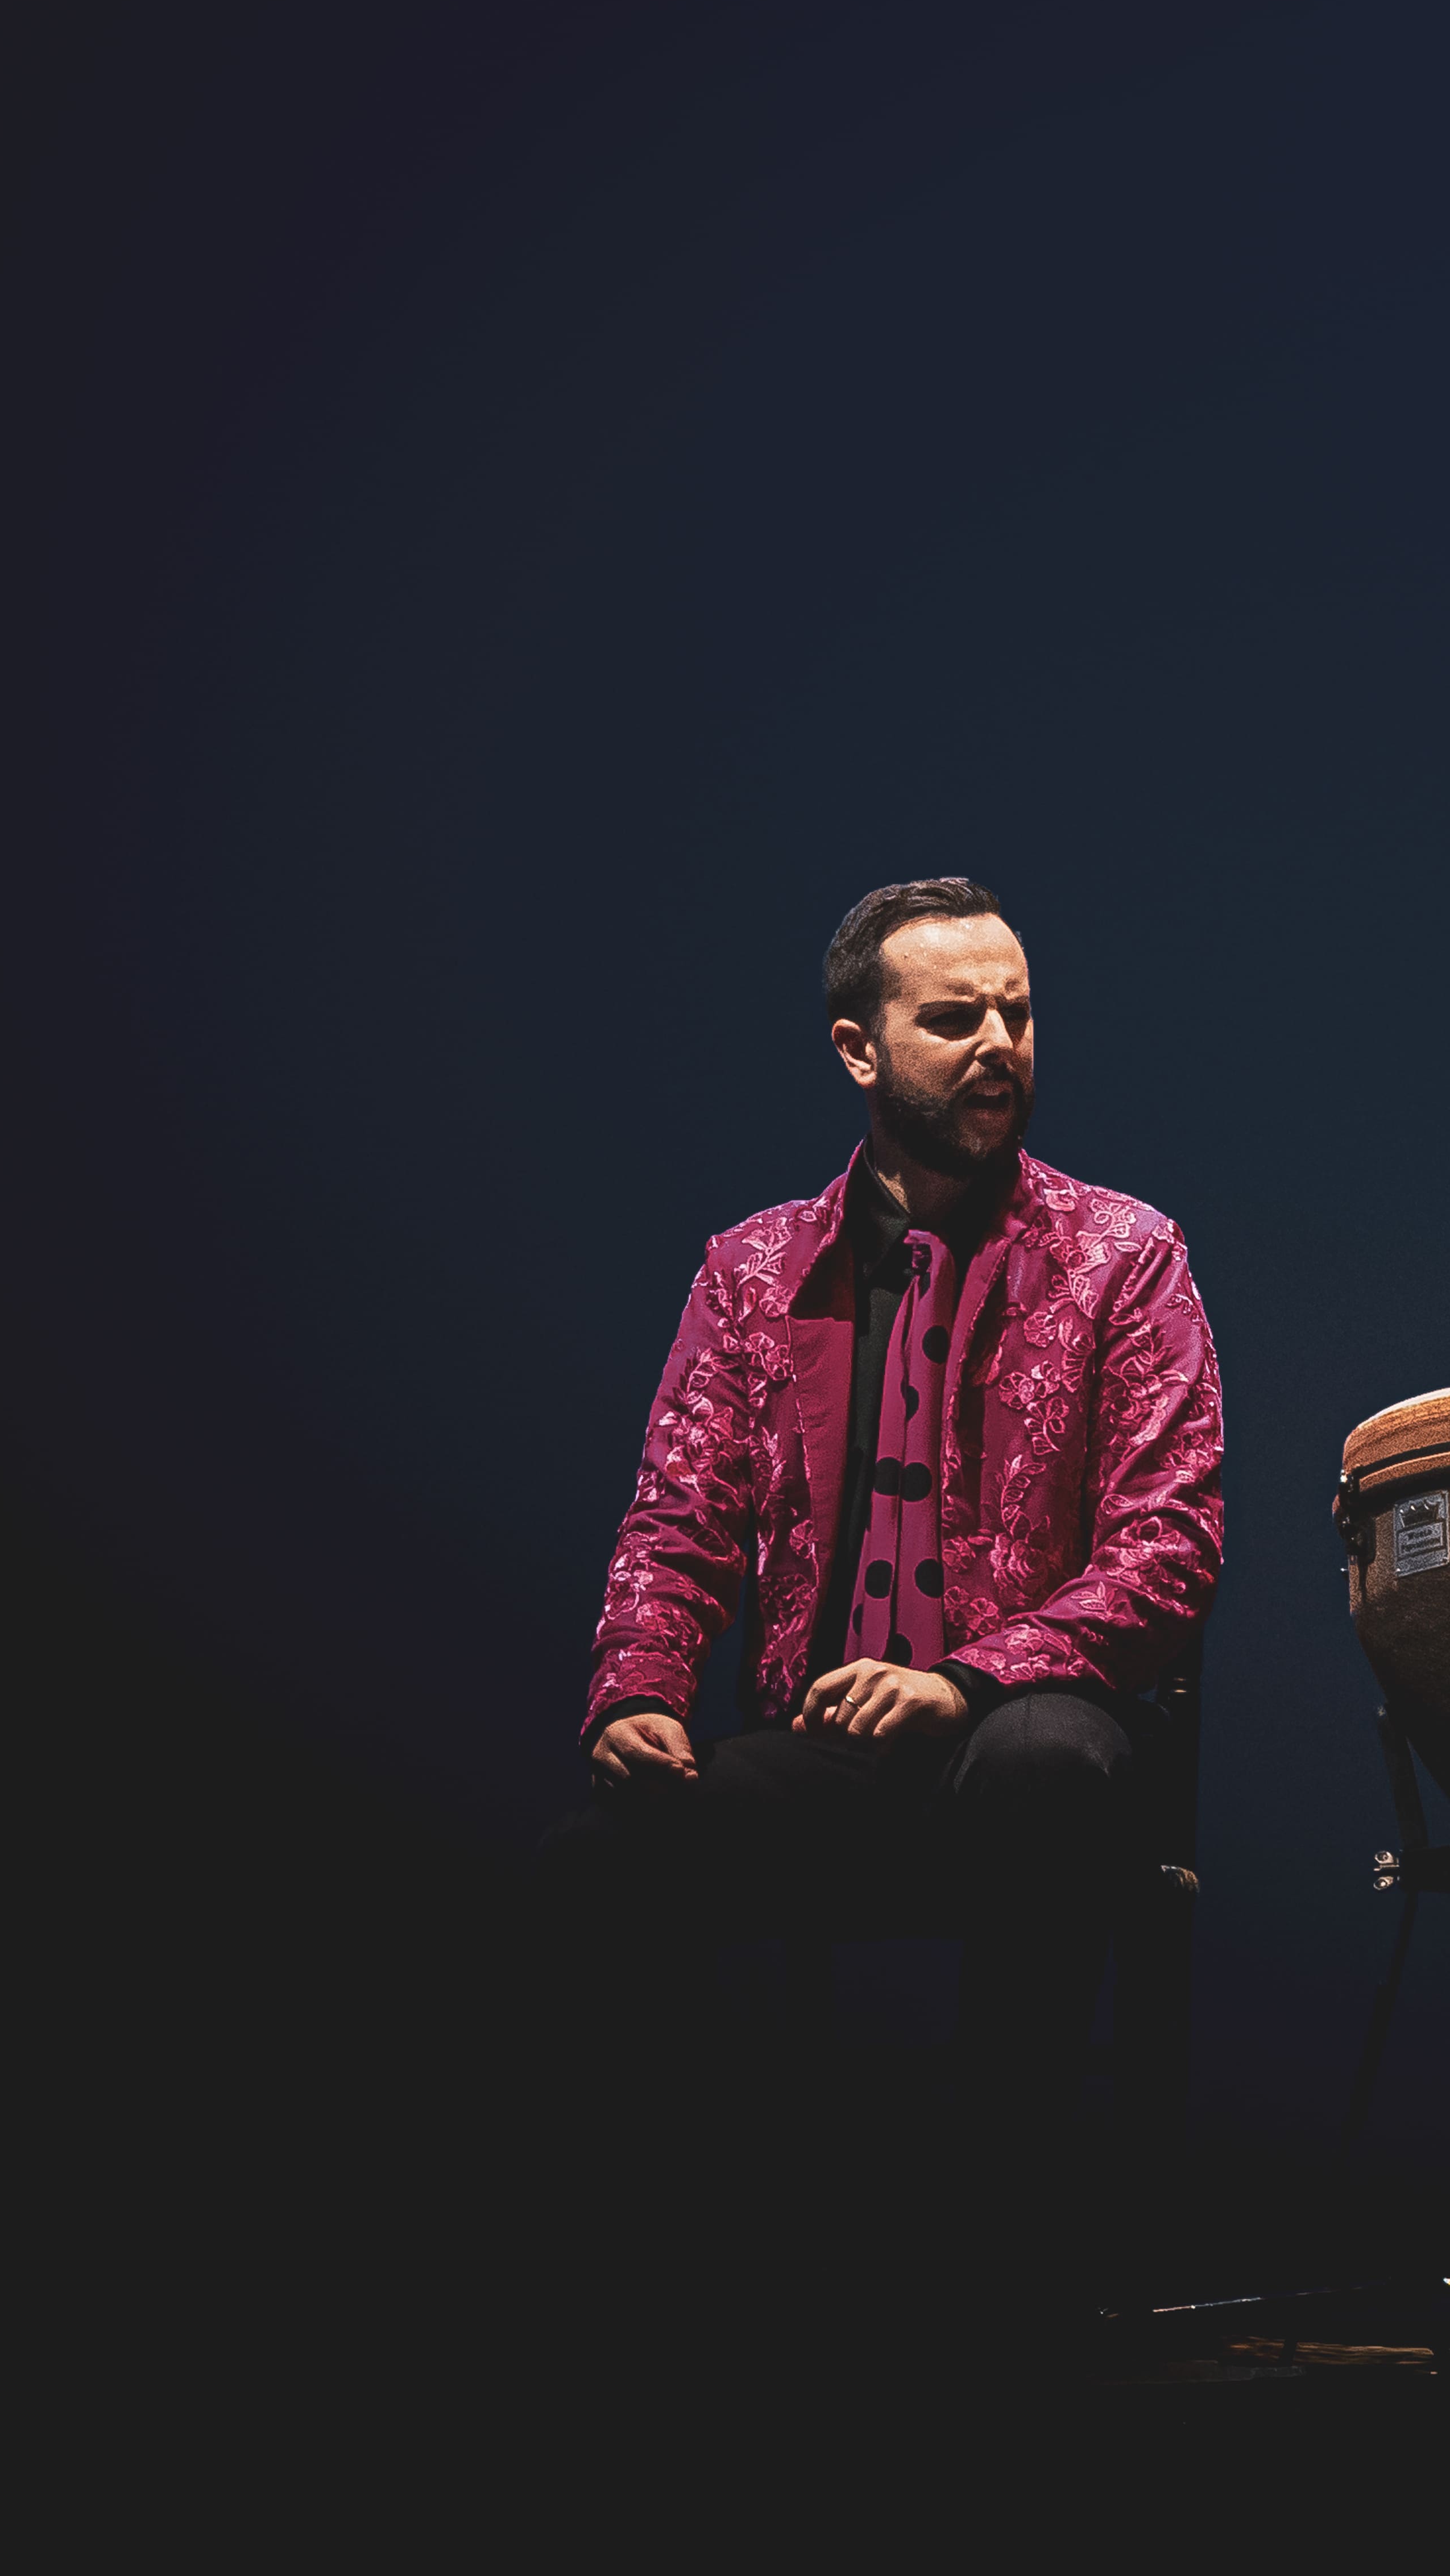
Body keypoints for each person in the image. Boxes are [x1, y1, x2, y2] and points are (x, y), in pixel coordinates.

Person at [545, 878, 1227, 2201]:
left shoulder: (1122, 1254)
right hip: (832, 1747)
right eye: (957, 1018)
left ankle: (991, 2222)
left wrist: (966, 1677)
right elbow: (677, 1520)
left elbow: (1170, 1549)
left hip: (1029, 1729)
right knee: (591, 1859)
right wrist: (637, 1692)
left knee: (1045, 1767)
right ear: (860, 1048)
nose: (999, 1049)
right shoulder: (754, 1270)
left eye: (1019, 1019)